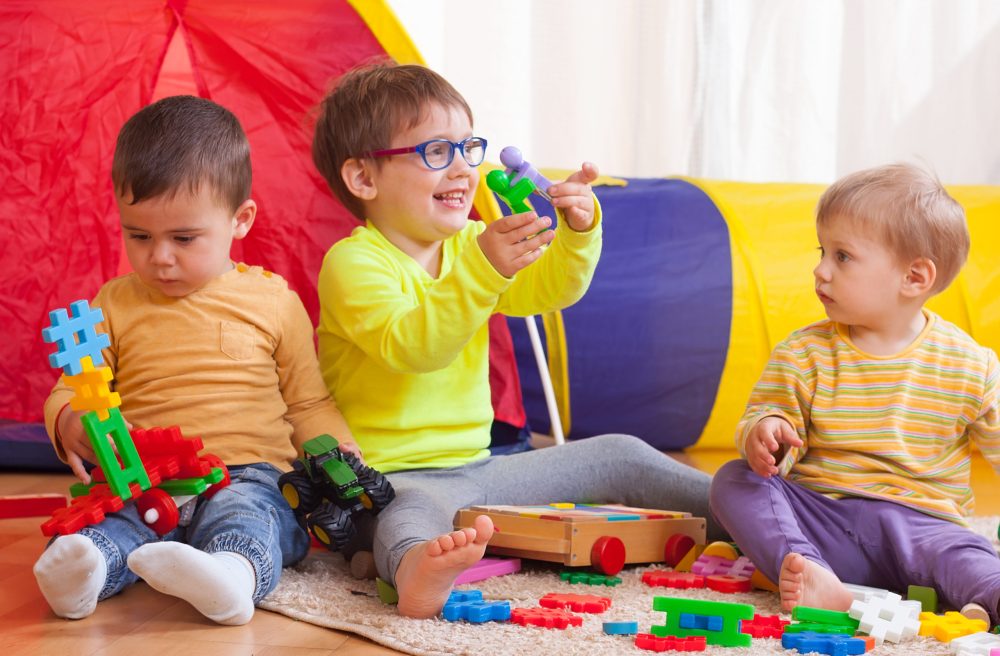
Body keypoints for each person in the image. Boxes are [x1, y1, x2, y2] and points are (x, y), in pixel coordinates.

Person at [310, 61, 725, 619]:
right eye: (436, 152)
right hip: (395, 479)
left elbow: (549, 290)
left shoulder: (470, 244)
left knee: (621, 454)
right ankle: (415, 573)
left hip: (483, 468)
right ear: (364, 179)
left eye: (468, 147)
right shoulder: (353, 263)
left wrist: (579, 233)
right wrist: (482, 270)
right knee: (405, 521)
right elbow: (414, 346)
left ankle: (749, 514)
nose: (461, 169)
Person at [33, 95, 359, 625]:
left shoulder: (273, 300)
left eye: (184, 238)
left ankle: (230, 575)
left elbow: (307, 400)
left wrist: (336, 448)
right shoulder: (111, 304)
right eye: (139, 236)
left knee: (249, 516)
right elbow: (73, 386)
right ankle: (85, 571)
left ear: (240, 220)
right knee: (114, 523)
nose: (159, 257)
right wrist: (69, 422)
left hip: (250, 473)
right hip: (146, 478)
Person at [709, 163, 1000, 622]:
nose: (820, 270)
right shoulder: (803, 352)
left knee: (972, 559)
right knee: (734, 480)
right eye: (822, 250)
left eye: (842, 256)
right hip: (827, 523)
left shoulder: (972, 364)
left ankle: (990, 594)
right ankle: (811, 573)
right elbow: (765, 417)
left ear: (915, 278)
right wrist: (766, 431)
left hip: (927, 530)